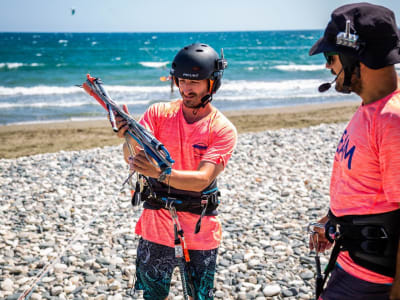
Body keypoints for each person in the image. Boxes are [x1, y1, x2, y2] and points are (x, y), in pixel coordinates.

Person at [115, 43, 237, 299]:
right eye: (181, 80)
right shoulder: (158, 113)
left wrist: (159, 173)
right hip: (156, 222)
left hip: (199, 227)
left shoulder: (222, 129)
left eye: (194, 82)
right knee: (152, 296)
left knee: (200, 296)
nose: (185, 88)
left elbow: (202, 179)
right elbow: (133, 158)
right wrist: (128, 137)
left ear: (212, 83)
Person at [308, 3, 400, 300]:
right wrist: (332, 218)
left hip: (369, 281)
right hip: (350, 264)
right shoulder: (371, 109)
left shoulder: (392, 120)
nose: (328, 67)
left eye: (330, 57)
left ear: (353, 56)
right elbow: (365, 185)